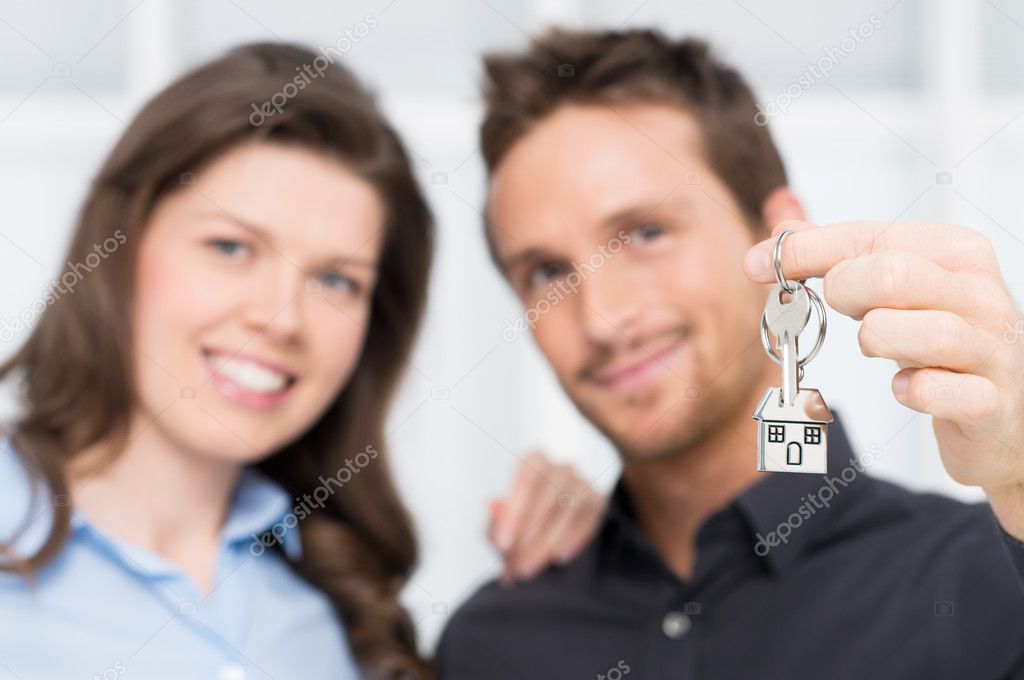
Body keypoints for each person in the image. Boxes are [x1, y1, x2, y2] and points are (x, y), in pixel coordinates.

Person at [0, 42, 601, 680]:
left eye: (337, 282)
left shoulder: (341, 605)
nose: (283, 317)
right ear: (118, 249)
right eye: (231, 247)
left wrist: (601, 552)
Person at [437, 27, 1024, 679]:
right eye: (547, 271)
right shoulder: (486, 646)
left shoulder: (995, 579)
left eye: (647, 233)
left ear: (780, 238)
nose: (601, 318)